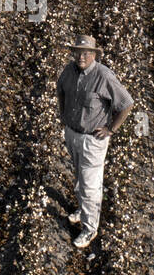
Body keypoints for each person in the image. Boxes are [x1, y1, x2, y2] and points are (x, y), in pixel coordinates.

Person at [55, 35, 134, 249]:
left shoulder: (104, 75)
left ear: (94, 55)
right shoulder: (69, 71)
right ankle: (82, 210)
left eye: (86, 53)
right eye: (78, 52)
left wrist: (111, 129)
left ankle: (90, 229)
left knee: (90, 185)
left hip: (93, 139)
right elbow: (60, 90)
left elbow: (126, 103)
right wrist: (63, 115)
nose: (81, 56)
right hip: (72, 134)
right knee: (79, 175)